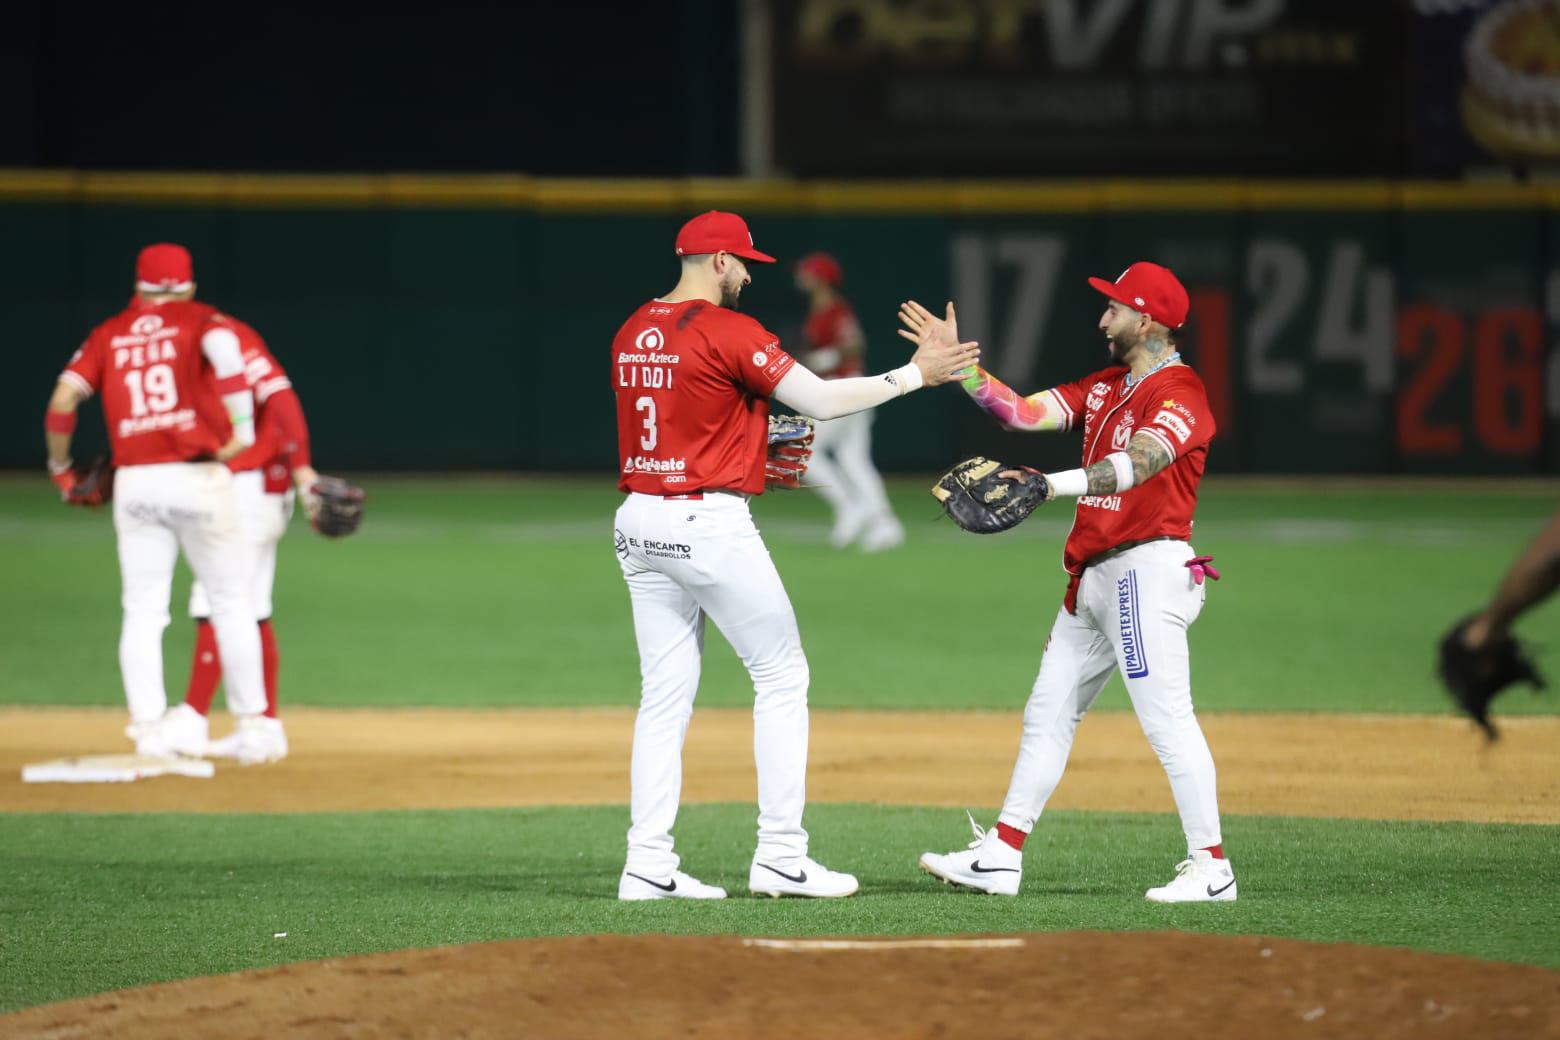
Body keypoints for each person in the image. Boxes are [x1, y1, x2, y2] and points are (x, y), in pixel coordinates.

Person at [612, 211, 977, 900]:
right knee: (781, 677)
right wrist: (915, 375)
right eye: (745, 262)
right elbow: (820, 399)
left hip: (638, 521)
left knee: (663, 699)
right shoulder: (728, 328)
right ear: (719, 261)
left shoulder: (632, 327)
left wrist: (744, 439)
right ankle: (781, 855)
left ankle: (647, 864)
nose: (750, 274)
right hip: (706, 522)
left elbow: (684, 411)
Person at [908, 262, 1237, 903]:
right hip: (1094, 574)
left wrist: (1050, 484)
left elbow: (1140, 464)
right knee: (1047, 715)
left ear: (1147, 320)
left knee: (1167, 721)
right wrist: (960, 368)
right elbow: (1024, 414)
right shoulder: (1109, 384)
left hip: (1144, 575)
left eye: (1114, 307)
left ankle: (1212, 868)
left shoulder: (1182, 394)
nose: (1102, 317)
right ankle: (1001, 855)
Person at [44, 243, 272, 759]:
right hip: (197, 477)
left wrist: (62, 470)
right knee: (231, 601)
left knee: (143, 610)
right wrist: (240, 430)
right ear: (188, 285)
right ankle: (254, 728)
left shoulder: (111, 332)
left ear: (138, 285)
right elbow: (229, 361)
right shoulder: (202, 319)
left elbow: (62, 400)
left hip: (137, 483)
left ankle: (148, 731)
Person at [158, 313, 318, 764]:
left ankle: (192, 717)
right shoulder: (206, 335)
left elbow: (281, 397)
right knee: (252, 607)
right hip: (263, 490)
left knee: (216, 599)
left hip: (248, 489)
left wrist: (304, 469)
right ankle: (264, 729)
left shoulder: (220, 335)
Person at [793, 252, 904, 551]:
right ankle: (886, 524)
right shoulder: (820, 309)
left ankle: (849, 505)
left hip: (842, 388)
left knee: (801, 452)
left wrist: (820, 358)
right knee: (854, 461)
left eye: (808, 272)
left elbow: (854, 345)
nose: (801, 276)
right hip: (845, 388)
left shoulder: (834, 309)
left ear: (820, 277)